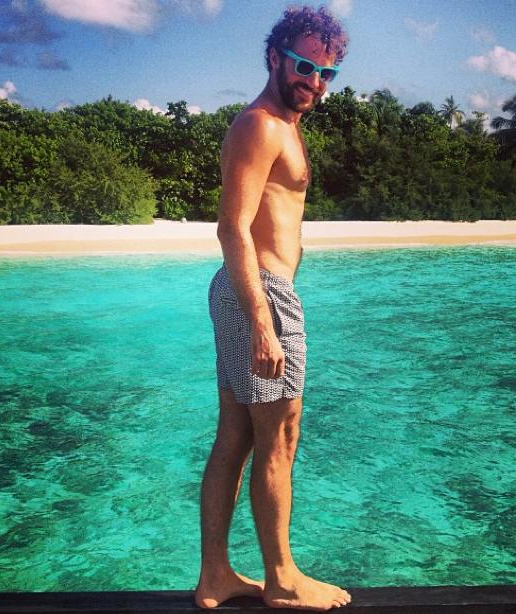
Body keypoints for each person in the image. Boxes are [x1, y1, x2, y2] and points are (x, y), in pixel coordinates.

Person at [195, 5, 352, 611]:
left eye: (326, 73)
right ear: (273, 57)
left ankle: (216, 576)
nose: (314, 81)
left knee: (236, 436)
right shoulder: (260, 125)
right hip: (260, 292)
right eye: (304, 66)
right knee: (280, 437)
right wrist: (263, 322)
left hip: (249, 290)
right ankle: (282, 579)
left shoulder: (284, 125)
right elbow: (232, 227)